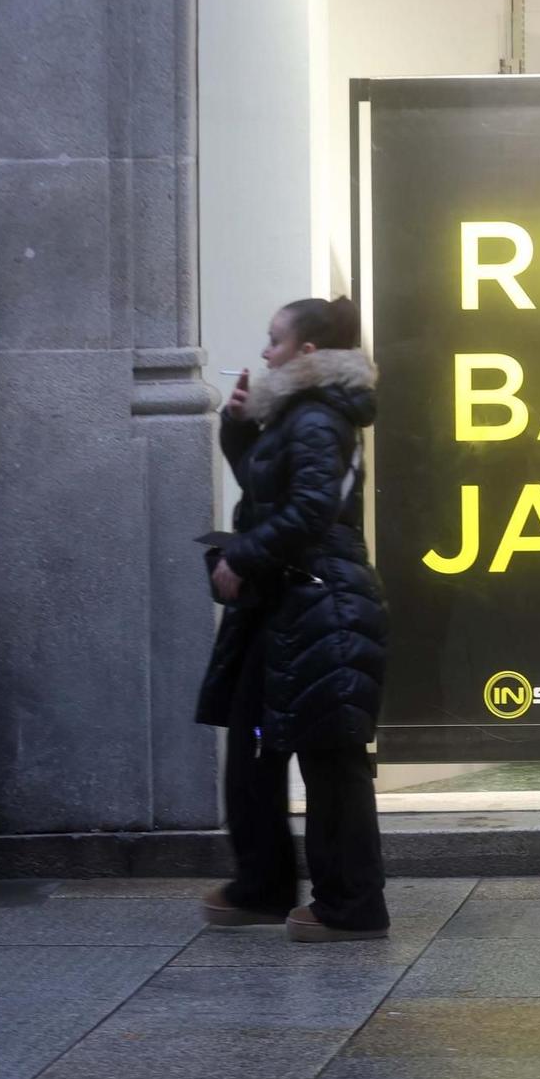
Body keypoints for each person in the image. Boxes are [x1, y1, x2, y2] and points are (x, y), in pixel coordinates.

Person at [195, 296, 391, 942]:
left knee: (330, 762)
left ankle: (350, 906)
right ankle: (263, 887)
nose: (263, 351)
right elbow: (269, 487)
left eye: (273, 340)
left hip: (319, 603)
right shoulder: (301, 414)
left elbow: (310, 510)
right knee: (255, 751)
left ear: (307, 353)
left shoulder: (316, 415)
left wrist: (243, 557)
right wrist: (238, 427)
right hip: (288, 601)